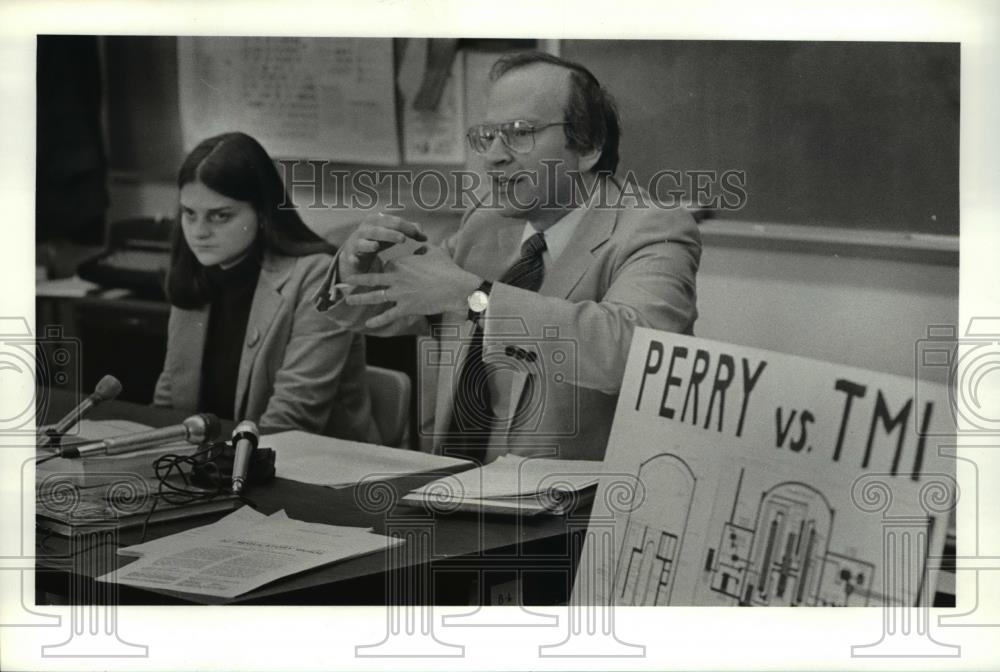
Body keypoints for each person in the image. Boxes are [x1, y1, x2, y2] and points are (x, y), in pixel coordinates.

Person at [317, 52, 700, 461]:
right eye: (488, 136)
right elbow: (391, 308)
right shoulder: (488, 221)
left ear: (587, 146)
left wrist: (473, 299)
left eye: (519, 133)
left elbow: (635, 355)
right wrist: (355, 267)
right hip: (451, 486)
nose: (493, 156)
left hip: (567, 511)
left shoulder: (652, 229)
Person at [154, 132, 380, 443]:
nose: (199, 232)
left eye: (220, 216)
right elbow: (169, 403)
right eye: (189, 214)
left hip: (309, 470)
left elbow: (293, 418)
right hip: (215, 466)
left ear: (262, 213)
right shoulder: (193, 272)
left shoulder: (317, 276)